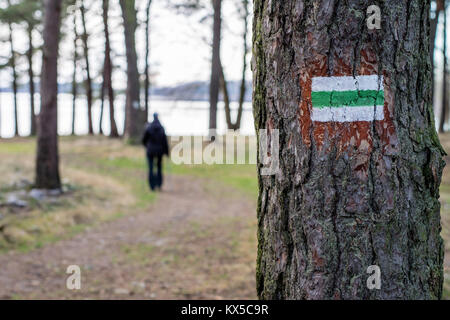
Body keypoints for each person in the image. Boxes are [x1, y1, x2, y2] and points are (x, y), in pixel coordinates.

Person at [142, 113, 169, 191]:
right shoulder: (161, 128)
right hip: (159, 151)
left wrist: (146, 146)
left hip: (150, 151)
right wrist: (167, 152)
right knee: (159, 168)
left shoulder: (149, 127)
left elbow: (144, 140)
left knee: (150, 168)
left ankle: (152, 186)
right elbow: (165, 141)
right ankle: (159, 184)